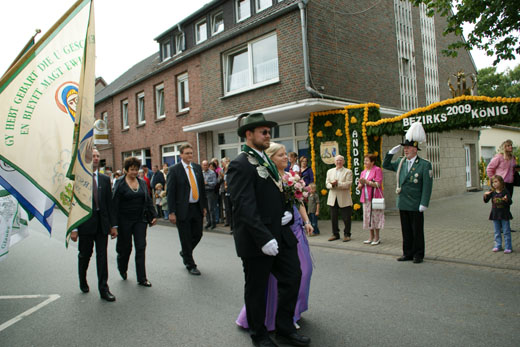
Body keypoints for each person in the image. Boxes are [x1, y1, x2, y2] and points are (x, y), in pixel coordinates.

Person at [227, 113, 310, 347]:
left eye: (268, 131)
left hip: (281, 235)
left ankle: (284, 328)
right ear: (248, 134)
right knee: (257, 289)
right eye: (262, 131)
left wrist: (285, 210)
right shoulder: (240, 163)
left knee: (293, 277)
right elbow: (244, 204)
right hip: (257, 240)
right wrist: (263, 238)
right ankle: (259, 335)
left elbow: (277, 192)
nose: (267, 134)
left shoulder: (267, 162)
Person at [70, 148, 118, 302]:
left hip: (102, 224)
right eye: (93, 156)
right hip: (85, 224)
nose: (96, 158)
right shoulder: (79, 178)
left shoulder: (105, 179)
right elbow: (74, 204)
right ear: (87, 159)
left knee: (102, 257)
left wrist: (113, 226)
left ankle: (104, 289)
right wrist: (74, 228)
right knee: (85, 255)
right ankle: (82, 279)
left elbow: (109, 204)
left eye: (98, 156)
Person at [383, 122, 433, 264]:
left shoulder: (424, 164)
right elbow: (385, 165)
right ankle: (407, 253)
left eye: (408, 147)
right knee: (406, 230)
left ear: (415, 149)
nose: (405, 150)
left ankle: (418, 254)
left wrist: (424, 203)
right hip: (403, 201)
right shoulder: (400, 162)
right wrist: (390, 154)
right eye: (404, 147)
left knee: (417, 230)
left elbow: (427, 186)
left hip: (416, 202)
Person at [112, 157, 157, 287]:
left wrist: (153, 215)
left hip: (140, 220)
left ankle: (142, 278)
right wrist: (113, 225)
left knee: (141, 246)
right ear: (126, 170)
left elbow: (148, 199)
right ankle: (122, 267)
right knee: (125, 248)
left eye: (136, 170)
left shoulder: (142, 183)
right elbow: (114, 205)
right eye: (132, 170)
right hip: (124, 221)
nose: (134, 172)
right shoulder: (119, 184)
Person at [166, 143, 207, 276]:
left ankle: (185, 252)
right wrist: (171, 212)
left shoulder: (197, 168)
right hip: (182, 209)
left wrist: (204, 206)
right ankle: (190, 264)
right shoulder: (174, 170)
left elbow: (201, 188)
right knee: (185, 237)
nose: (190, 155)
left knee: (198, 234)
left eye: (191, 153)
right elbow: (170, 192)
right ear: (181, 155)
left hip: (196, 207)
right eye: (187, 153)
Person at [487, 139, 517, 231]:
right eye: (508, 145)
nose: (510, 147)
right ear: (504, 147)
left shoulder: (513, 158)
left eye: (511, 145)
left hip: (510, 184)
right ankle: (499, 227)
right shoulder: (499, 157)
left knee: (507, 203)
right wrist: (494, 181)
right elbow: (489, 168)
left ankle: (506, 226)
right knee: (499, 204)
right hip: (501, 185)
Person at [357, 154, 385, 245]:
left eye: (367, 161)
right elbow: (360, 186)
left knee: (375, 217)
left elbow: (378, 184)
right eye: (364, 161)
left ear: (372, 162)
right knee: (367, 217)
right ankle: (370, 236)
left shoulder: (377, 170)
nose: (365, 162)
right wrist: (360, 185)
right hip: (365, 197)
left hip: (374, 197)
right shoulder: (363, 172)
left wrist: (367, 182)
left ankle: (377, 237)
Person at [326, 155, 353, 242]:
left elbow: (348, 184)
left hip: (344, 197)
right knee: (333, 217)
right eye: (337, 160)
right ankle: (335, 234)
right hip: (333, 198)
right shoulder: (330, 171)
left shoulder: (348, 171)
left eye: (340, 160)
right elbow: (327, 184)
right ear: (334, 162)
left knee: (346, 218)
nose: (338, 162)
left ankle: (347, 234)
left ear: (343, 162)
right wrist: (332, 185)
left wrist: (338, 184)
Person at [484, 175, 513, 254]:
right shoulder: (492, 192)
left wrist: (506, 199)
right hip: (495, 214)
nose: (494, 184)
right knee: (497, 232)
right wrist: (485, 195)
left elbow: (510, 202)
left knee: (506, 231)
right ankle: (498, 245)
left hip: (504, 214)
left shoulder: (505, 191)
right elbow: (486, 201)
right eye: (493, 182)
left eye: (496, 182)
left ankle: (508, 247)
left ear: (501, 182)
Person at [202, 160, 218, 229]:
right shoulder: (202, 173)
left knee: (211, 208)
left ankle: (213, 223)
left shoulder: (212, 173)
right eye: (204, 165)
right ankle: (208, 222)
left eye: (206, 165)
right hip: (204, 192)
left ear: (208, 165)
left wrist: (207, 183)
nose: (205, 166)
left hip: (210, 192)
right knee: (206, 208)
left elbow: (214, 183)